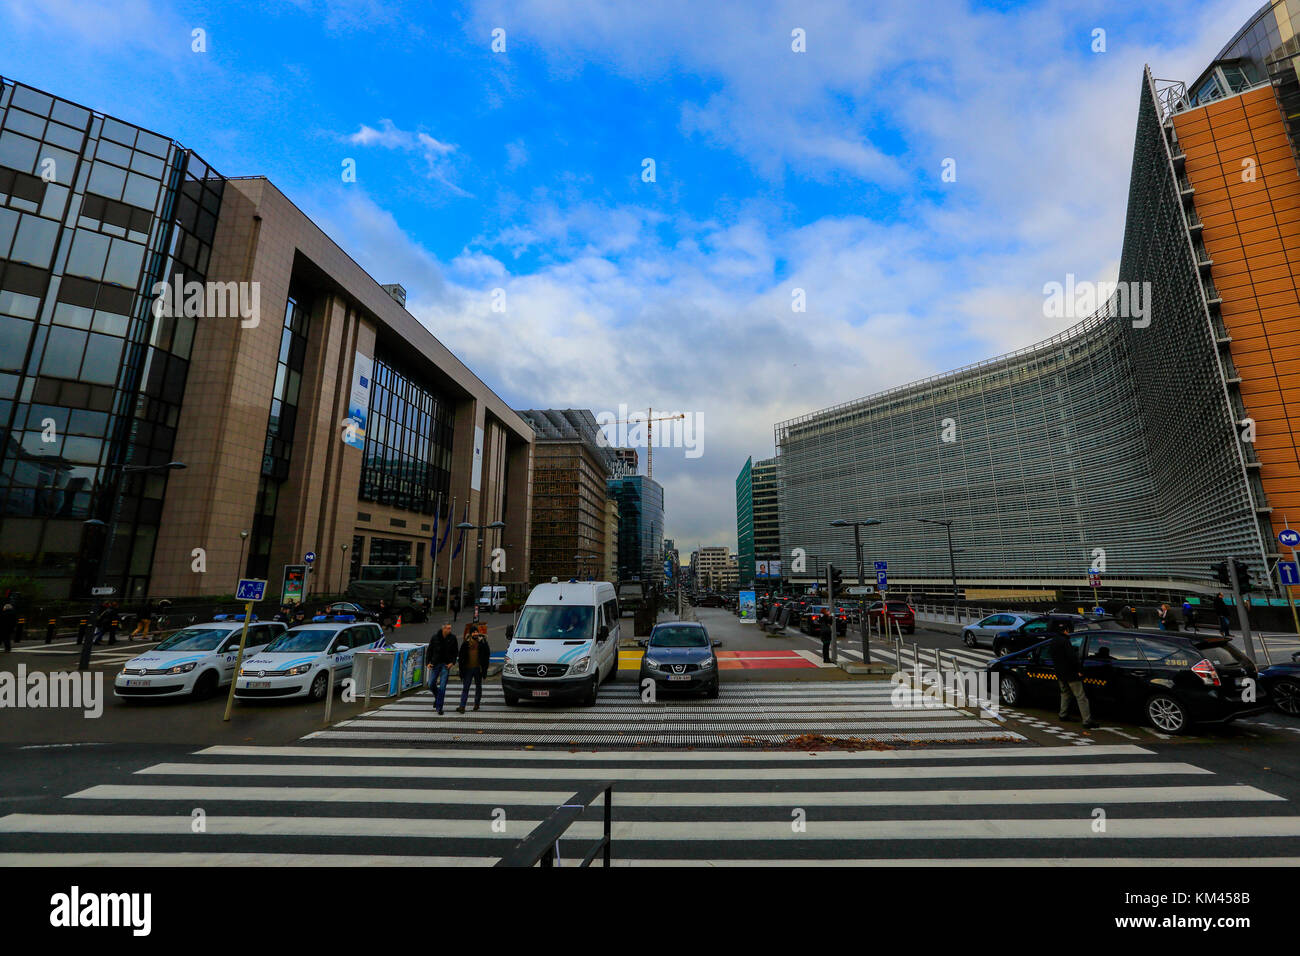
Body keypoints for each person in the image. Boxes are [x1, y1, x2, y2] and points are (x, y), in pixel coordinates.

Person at [1050, 622, 1098, 729]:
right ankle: (1087, 720)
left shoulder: (1054, 641)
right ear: (1066, 630)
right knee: (1081, 697)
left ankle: (1063, 714)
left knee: (1065, 693)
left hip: (1060, 673)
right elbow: (1072, 658)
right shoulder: (1066, 642)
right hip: (1071, 674)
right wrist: (1079, 670)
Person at [456, 622, 490, 713]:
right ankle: (462, 706)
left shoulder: (482, 642)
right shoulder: (465, 644)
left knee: (478, 687)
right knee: (466, 687)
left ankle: (476, 704)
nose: (475, 634)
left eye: (476, 632)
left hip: (478, 669)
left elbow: (487, 655)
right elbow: (461, 658)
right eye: (473, 632)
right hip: (468, 669)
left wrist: (485, 669)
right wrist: (461, 670)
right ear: (470, 634)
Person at [426, 622, 458, 715]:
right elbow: (430, 650)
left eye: (450, 628)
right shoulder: (435, 637)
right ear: (443, 628)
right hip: (435, 663)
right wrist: (427, 662)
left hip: (446, 664)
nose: (449, 630)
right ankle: (437, 698)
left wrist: (452, 662)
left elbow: (455, 651)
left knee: (443, 686)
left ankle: (439, 707)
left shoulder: (452, 638)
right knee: (431, 684)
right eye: (447, 628)